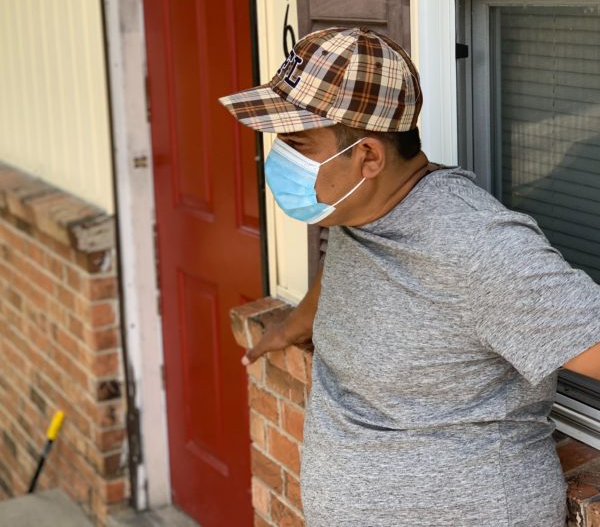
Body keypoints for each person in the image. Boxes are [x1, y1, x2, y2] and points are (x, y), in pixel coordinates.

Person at [219, 26, 600, 526]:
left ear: (368, 156)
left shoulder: (478, 246)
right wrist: (295, 324)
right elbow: (346, 272)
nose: (278, 158)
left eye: (296, 143)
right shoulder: (357, 212)